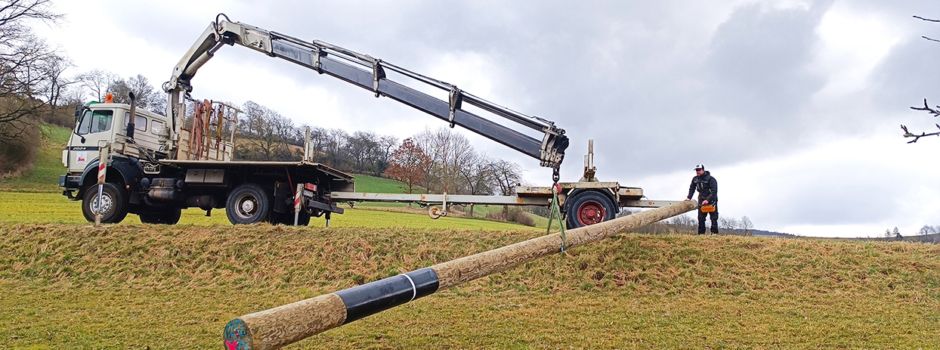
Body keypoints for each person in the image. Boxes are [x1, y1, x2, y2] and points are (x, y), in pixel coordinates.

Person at [686, 164, 718, 234]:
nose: (697, 171)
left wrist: (707, 200)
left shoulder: (711, 179)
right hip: (701, 200)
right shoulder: (695, 179)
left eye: (699, 170)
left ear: (703, 170)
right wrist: (689, 197)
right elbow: (692, 188)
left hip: (711, 200)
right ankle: (701, 234)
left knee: (713, 218)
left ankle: (714, 233)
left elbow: (714, 191)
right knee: (701, 218)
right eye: (696, 170)